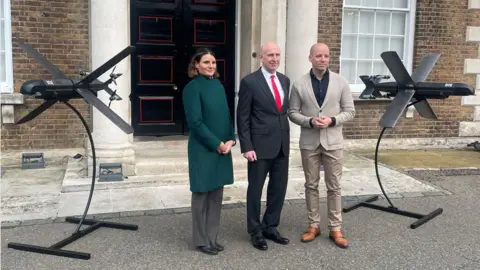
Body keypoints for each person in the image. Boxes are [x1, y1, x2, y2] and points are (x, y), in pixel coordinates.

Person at [288, 43, 355, 249]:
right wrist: (309, 121)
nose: (323, 59)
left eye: (326, 56)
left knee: (334, 186)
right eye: (318, 56)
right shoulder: (299, 84)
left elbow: (350, 111)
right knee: (311, 185)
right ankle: (313, 225)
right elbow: (292, 112)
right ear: (310, 58)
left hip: (333, 142)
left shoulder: (341, 82)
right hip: (309, 142)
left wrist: (333, 120)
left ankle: (335, 228)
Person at [236, 42, 291, 251]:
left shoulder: (285, 80)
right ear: (261, 57)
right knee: (255, 190)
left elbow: (282, 112)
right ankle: (255, 231)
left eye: (277, 55)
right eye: (270, 55)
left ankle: (270, 227)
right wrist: (246, 146)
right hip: (258, 147)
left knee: (278, 189)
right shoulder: (250, 82)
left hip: (282, 146)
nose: (274, 59)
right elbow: (243, 117)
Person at [182, 48, 236, 255]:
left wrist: (231, 139)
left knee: (216, 195)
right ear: (196, 64)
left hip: (223, 147)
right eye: (206, 62)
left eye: (213, 62)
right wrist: (216, 143)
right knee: (201, 194)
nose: (211, 66)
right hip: (203, 148)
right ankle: (201, 240)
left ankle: (212, 237)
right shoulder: (192, 88)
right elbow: (195, 122)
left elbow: (226, 115)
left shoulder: (218, 86)